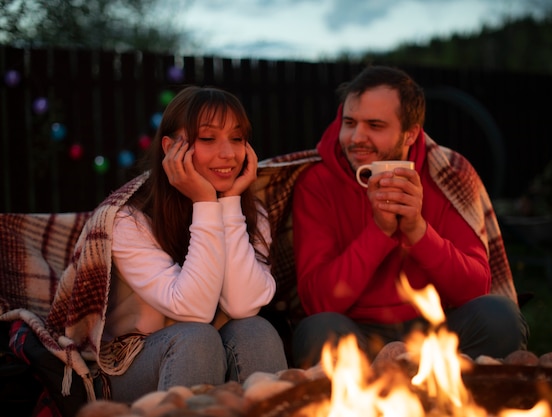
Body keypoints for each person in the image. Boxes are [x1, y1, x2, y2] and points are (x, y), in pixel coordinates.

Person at [290, 65, 529, 369]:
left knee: (499, 316)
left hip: (437, 329)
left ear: (411, 133)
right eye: (349, 122)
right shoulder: (318, 182)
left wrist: (417, 230)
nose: (355, 137)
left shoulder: (447, 173)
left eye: (375, 125)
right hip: (357, 332)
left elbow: (476, 289)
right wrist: (379, 231)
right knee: (316, 330)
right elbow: (318, 301)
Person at [98, 86, 288, 402]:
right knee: (196, 339)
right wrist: (204, 202)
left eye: (237, 138)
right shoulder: (128, 220)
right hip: (134, 364)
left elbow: (242, 305)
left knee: (256, 330)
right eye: (209, 138)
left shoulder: (252, 214)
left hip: (212, 350)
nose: (228, 153)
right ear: (171, 148)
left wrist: (228, 205)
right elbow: (194, 310)